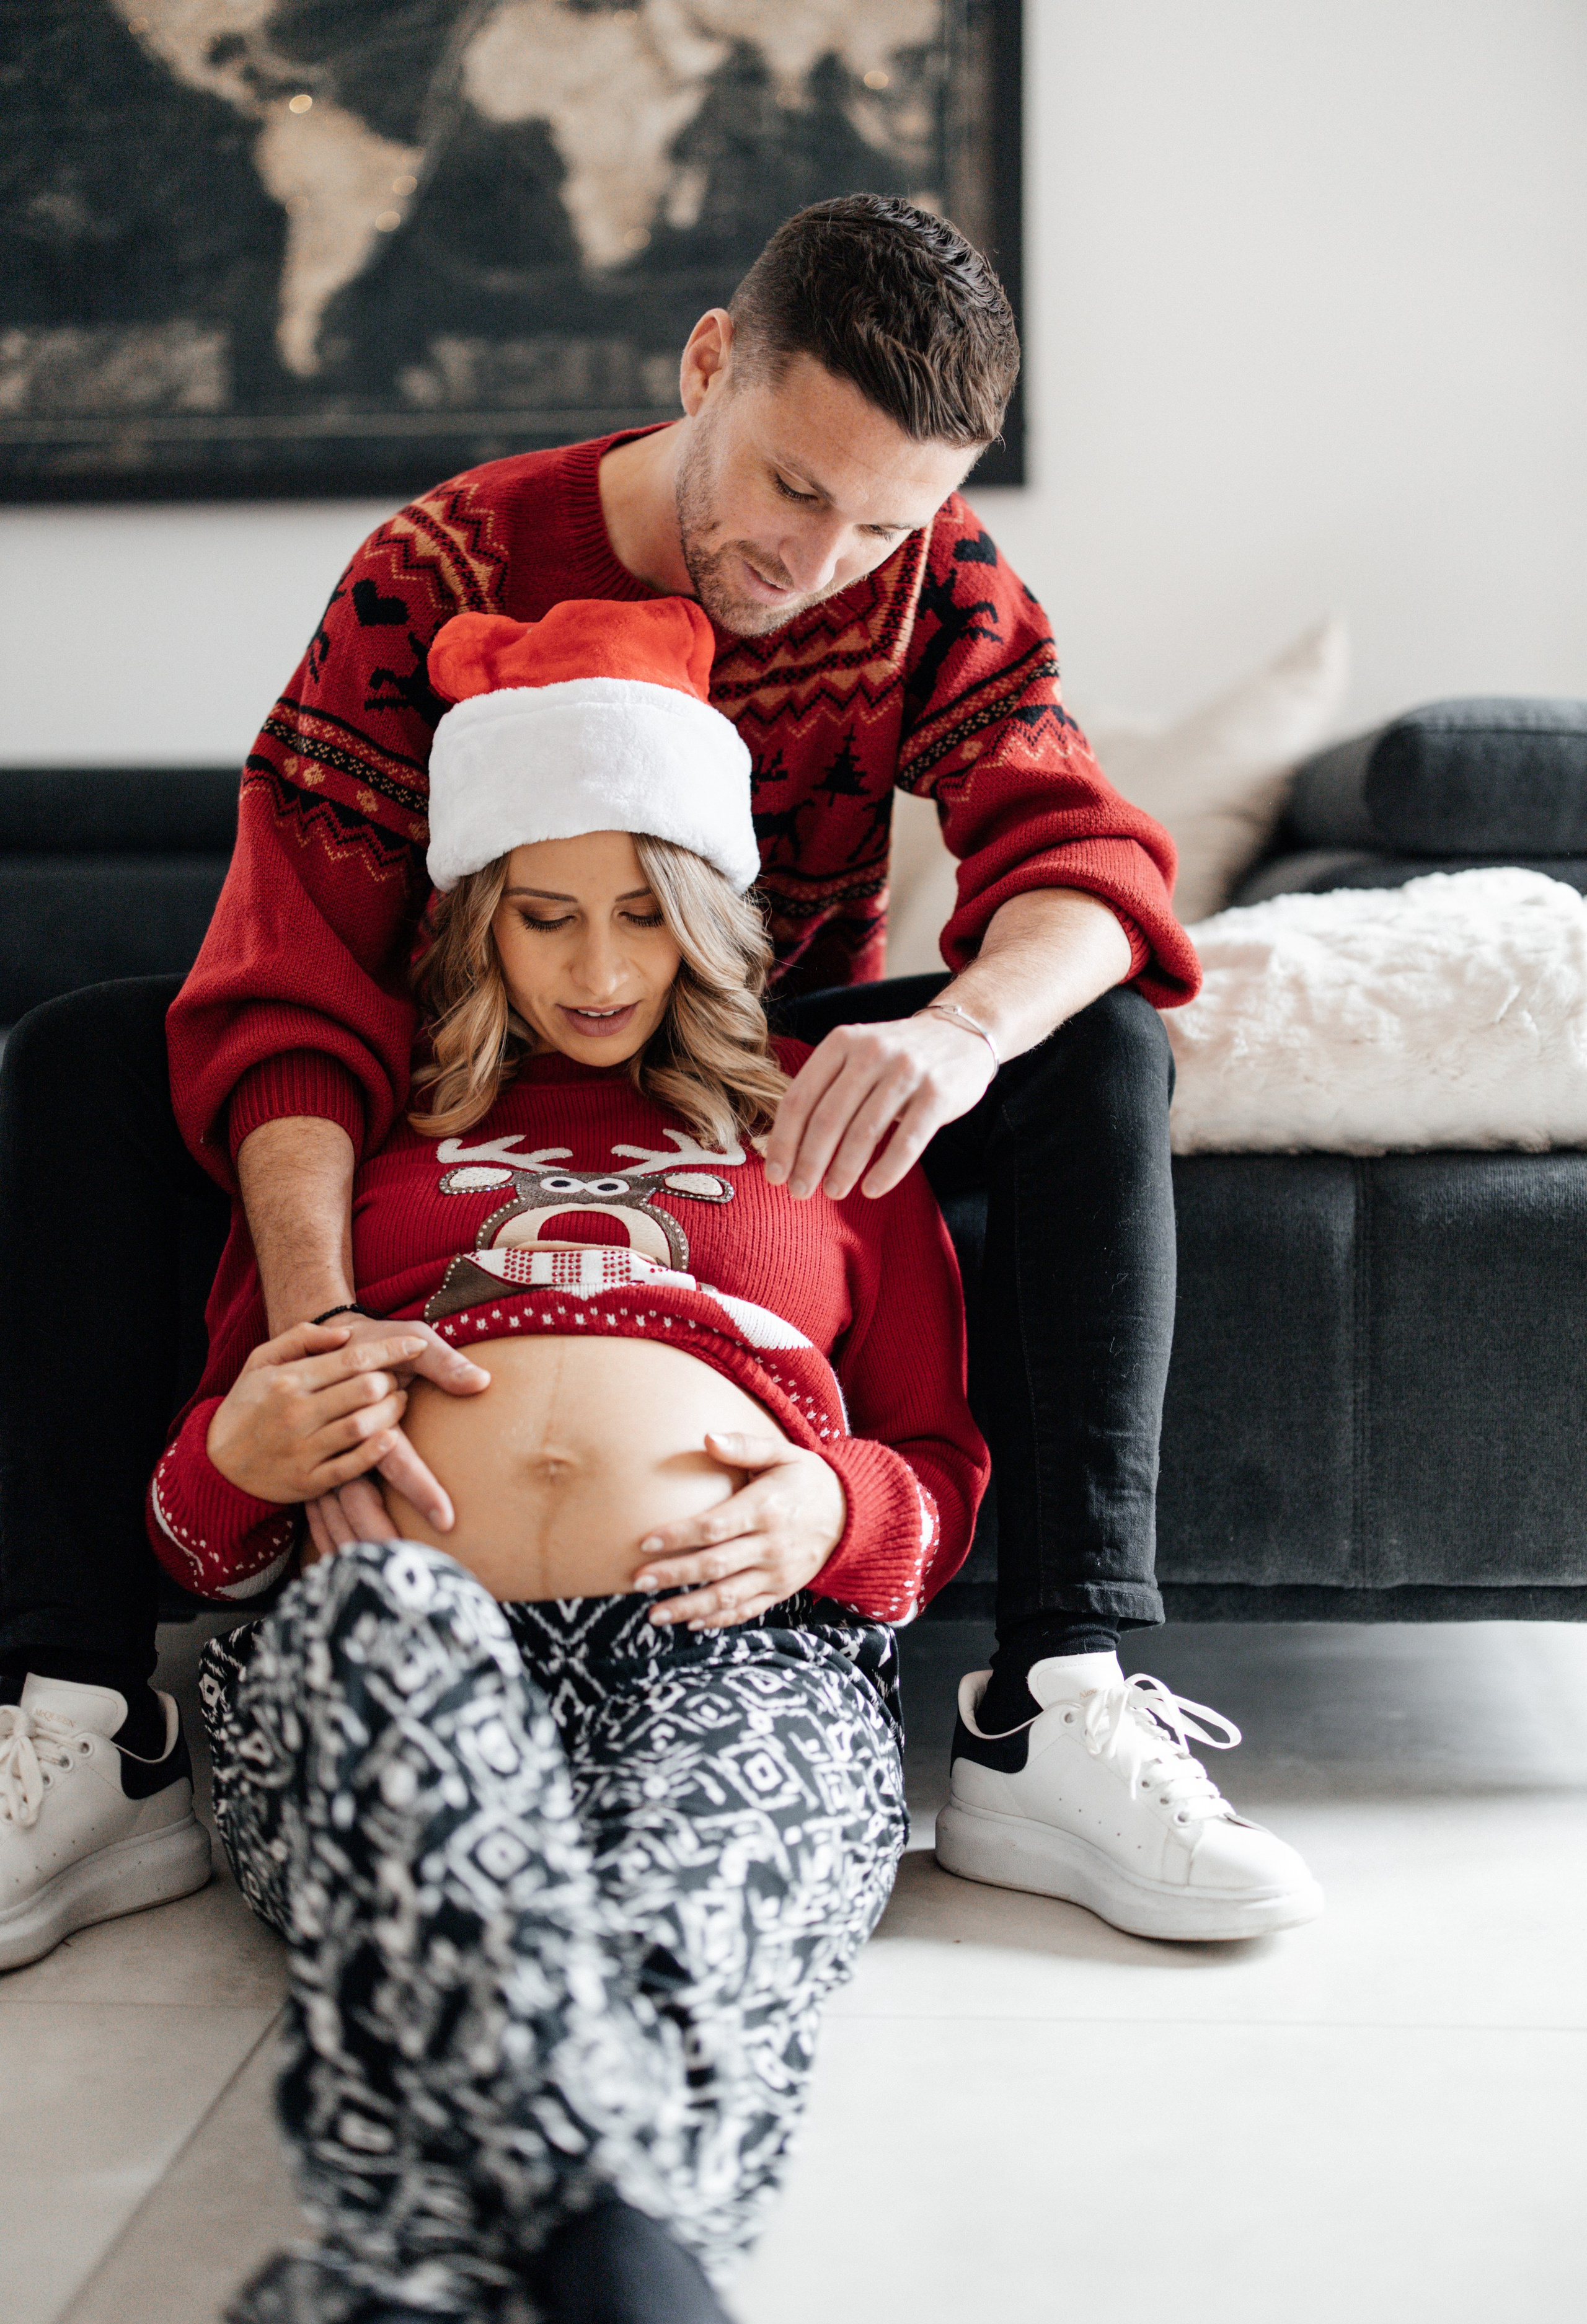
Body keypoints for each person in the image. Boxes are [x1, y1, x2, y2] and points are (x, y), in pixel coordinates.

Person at [0, 192, 1319, 1969]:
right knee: (86, 1055)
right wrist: (317, 1347)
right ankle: (90, 1715)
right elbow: (291, 977)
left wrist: (956, 1033)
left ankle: (1053, 1703)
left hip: (756, 1074)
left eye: (883, 520)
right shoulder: (443, 567)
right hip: (452, 1074)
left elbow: (1085, 860)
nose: (823, 559)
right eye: (792, 488)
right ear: (710, 363)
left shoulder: (931, 572)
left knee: (1087, 1031)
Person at [147, 594, 988, 2324]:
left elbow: (940, 1463)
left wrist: (833, 1510)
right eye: (544, 916)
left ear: (711, 914)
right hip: (391, 1628)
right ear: (476, 919)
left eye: (642, 914)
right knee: (389, 1665)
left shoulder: (816, 1131)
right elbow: (202, 1513)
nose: (597, 969)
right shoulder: (366, 1150)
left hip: (738, 1653)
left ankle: (403, 2305)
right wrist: (235, 1463)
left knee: (680, 1922)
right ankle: (632, 2291)